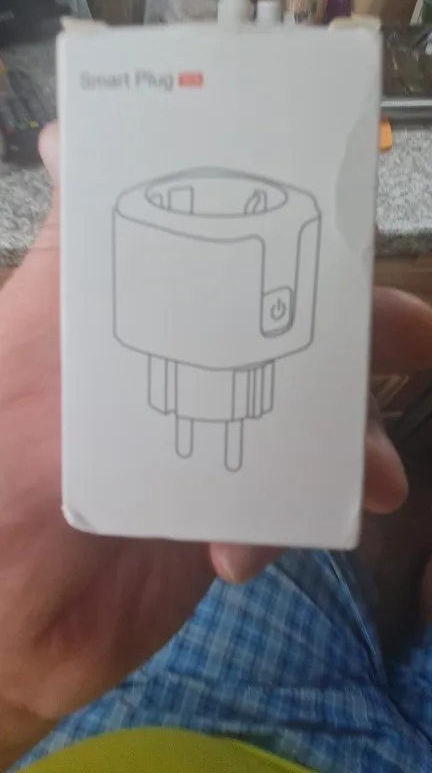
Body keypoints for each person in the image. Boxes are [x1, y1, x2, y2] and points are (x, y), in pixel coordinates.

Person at [1, 124, 432, 773]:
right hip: (338, 732)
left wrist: (11, 694)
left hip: (88, 713)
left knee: (271, 525)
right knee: (288, 526)